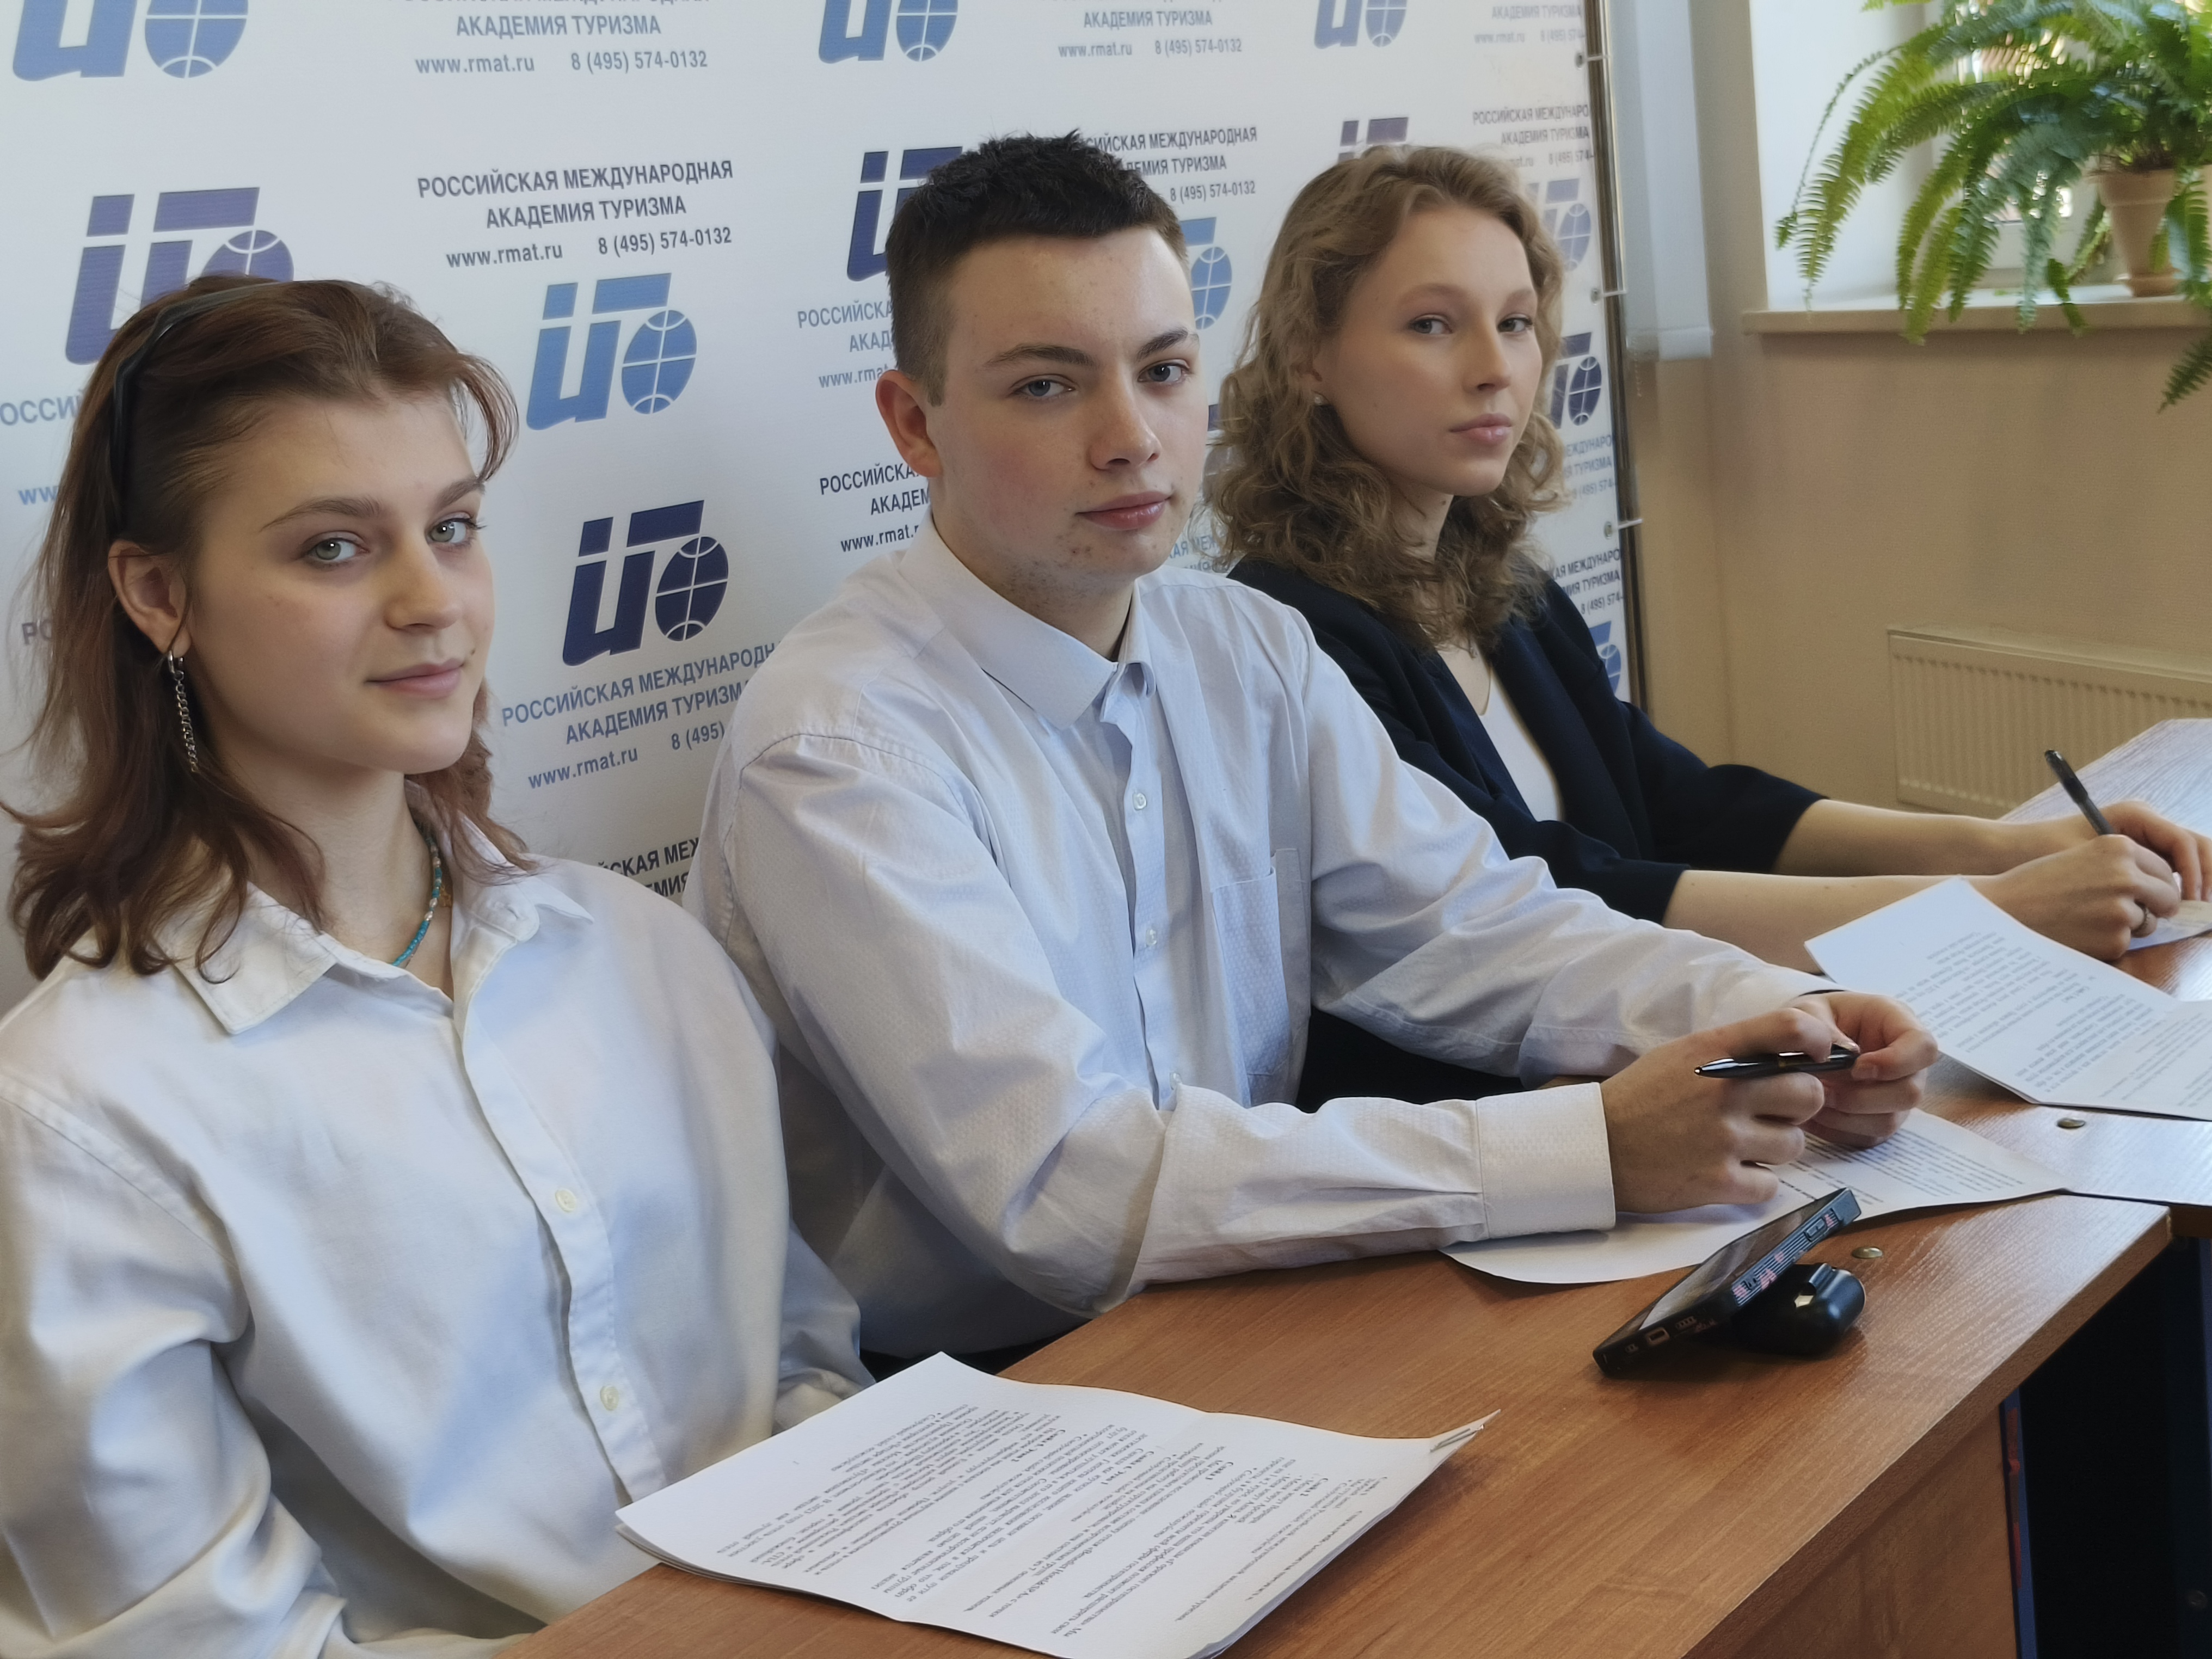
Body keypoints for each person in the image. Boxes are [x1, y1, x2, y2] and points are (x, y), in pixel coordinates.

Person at [684, 133, 1936, 1372]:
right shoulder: (838, 746)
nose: (1132, 437)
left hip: (1238, 1298)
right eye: (1047, 387)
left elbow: (1474, 930)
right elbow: (1069, 1193)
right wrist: (1592, 1149)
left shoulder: (1245, 648)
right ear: (915, 424)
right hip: (976, 1385)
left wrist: (1768, 1021)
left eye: (1163, 369)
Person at [0, 275, 867, 1656]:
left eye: (452, 528)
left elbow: (802, 1360)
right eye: (334, 549)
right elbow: (193, 1640)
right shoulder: (78, 1113)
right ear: (161, 595)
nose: (431, 601)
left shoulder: (642, 952)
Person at [1214, 145, 2212, 1107]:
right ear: (1309, 358)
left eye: (1516, 322)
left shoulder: (1502, 583)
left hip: (1648, 1070)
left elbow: (1685, 805)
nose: (1494, 368)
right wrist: (1974, 916)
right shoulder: (1286, 637)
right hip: (1488, 1127)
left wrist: (2009, 850)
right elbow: (1547, 904)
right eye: (1433, 325)